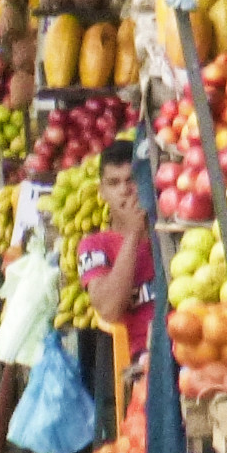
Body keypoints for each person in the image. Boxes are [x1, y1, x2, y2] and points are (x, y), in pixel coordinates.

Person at [78, 139, 155, 360]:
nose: (125, 191)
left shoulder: (168, 232)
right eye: (114, 183)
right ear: (102, 191)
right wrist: (133, 234)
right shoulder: (94, 246)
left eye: (132, 180)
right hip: (142, 354)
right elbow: (109, 309)